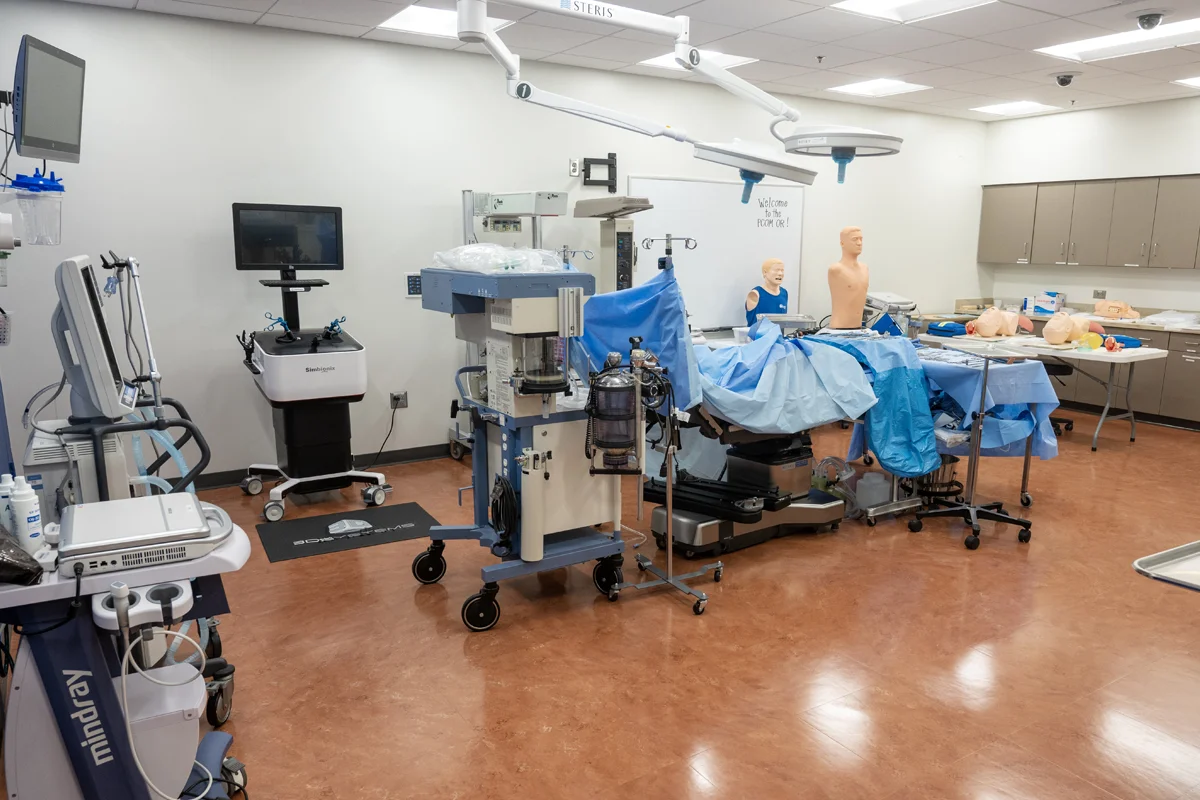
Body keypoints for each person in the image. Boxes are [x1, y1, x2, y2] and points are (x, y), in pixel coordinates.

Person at [745, 258, 788, 326]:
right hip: (758, 333)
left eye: (782, 270)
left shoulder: (784, 293)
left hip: (778, 333)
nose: (780, 273)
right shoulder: (756, 294)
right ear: (765, 272)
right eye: (776, 270)